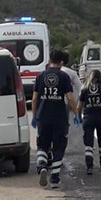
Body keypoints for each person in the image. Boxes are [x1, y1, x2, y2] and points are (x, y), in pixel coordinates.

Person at [31, 50, 78, 189]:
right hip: (59, 118)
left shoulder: (40, 76)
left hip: (43, 117)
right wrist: (76, 113)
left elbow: (34, 99)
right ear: (62, 62)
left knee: (42, 145)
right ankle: (55, 179)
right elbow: (70, 98)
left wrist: (34, 116)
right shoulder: (64, 77)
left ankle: (42, 165)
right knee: (58, 147)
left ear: (50, 60)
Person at [76, 70, 101, 175]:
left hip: (88, 118)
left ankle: (89, 166)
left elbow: (79, 106)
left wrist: (78, 116)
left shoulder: (84, 89)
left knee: (88, 143)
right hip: (100, 118)